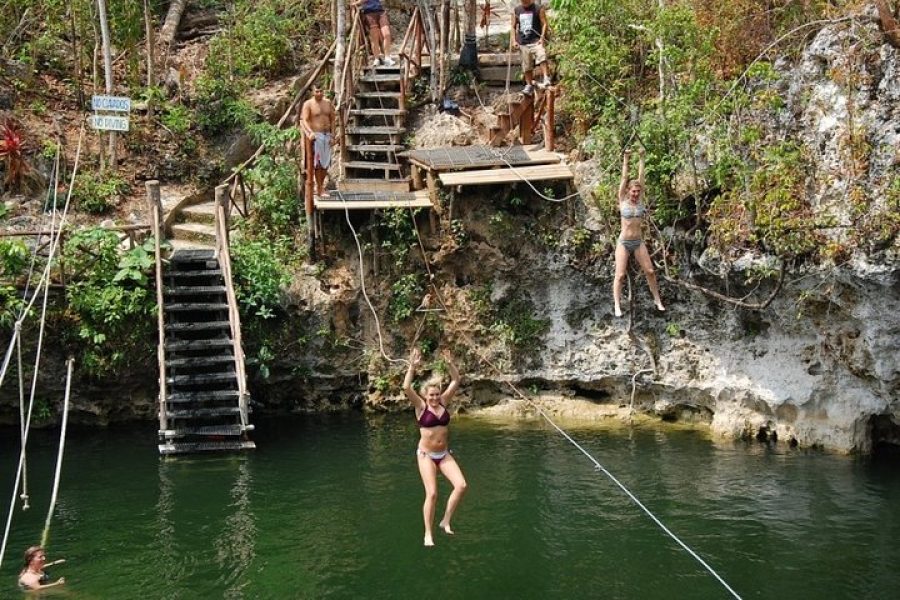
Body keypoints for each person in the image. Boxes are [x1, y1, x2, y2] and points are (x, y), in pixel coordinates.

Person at [403, 348, 467, 547]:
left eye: (437, 394)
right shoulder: (421, 407)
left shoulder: (444, 402)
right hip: (426, 455)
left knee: (461, 485)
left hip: (444, 453)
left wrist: (449, 363)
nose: (434, 398)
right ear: (425, 395)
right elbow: (406, 388)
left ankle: (445, 520)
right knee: (432, 493)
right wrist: (412, 366)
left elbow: (456, 381)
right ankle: (428, 533)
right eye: (431, 395)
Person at [613, 147, 665, 317]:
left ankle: (657, 299)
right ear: (628, 191)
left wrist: (642, 157)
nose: (635, 193)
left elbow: (641, 178)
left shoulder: (640, 201)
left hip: (638, 242)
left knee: (650, 271)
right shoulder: (623, 201)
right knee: (620, 275)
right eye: (633, 191)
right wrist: (626, 159)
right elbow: (623, 178)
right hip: (624, 242)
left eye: (637, 191)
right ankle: (617, 304)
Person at [299, 85, 336, 198]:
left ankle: (321, 187)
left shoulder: (328, 103)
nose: (319, 93)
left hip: (327, 135)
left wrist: (333, 135)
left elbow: (333, 119)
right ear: (313, 93)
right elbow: (304, 120)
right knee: (318, 164)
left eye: (321, 91)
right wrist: (310, 132)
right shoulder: (308, 104)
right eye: (317, 91)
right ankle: (319, 188)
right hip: (317, 135)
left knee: (325, 164)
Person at [511, 0, 551, 95]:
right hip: (523, 41)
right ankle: (529, 85)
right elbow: (513, 26)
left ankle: (546, 77)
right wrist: (514, 40)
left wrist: (542, 38)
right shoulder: (517, 10)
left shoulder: (538, 8)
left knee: (541, 54)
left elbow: (544, 23)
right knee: (526, 64)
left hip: (535, 40)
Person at [353, 0, 395, 67]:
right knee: (374, 37)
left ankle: (387, 58)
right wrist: (356, 3)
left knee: (387, 34)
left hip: (380, 11)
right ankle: (376, 58)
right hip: (369, 13)